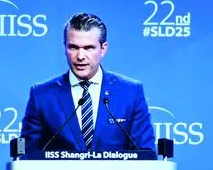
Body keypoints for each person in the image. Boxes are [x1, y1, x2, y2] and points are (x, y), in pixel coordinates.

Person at [19, 12, 155, 154]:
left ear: (103, 49)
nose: (80, 56)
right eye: (73, 47)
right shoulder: (42, 95)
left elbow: (146, 154)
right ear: (65, 47)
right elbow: (27, 157)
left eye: (88, 48)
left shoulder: (130, 92)